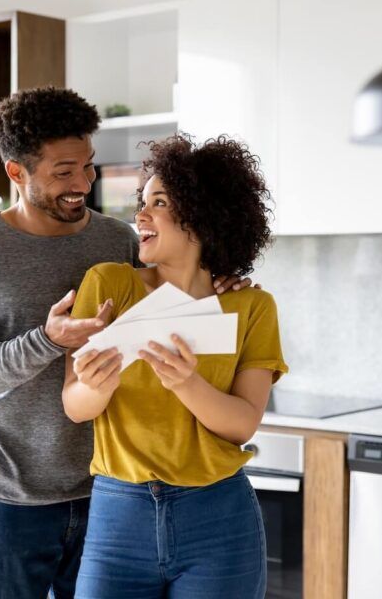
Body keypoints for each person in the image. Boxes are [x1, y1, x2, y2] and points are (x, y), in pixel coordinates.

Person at [0, 88, 249, 599]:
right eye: (63, 172)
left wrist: (219, 283)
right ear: (16, 173)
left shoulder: (116, 241)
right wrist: (45, 341)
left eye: (89, 165)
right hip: (12, 504)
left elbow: (169, 300)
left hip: (111, 498)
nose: (83, 183)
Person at [63, 134, 288, 599]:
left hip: (219, 518)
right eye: (141, 202)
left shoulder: (251, 306)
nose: (139, 216)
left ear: (203, 214)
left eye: (159, 202)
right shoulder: (109, 284)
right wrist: (95, 386)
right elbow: (75, 406)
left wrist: (188, 383)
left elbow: (242, 424)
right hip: (118, 515)